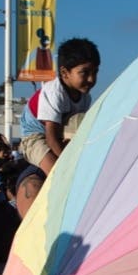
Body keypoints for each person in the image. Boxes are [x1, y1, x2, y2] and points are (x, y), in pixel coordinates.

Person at [19, 37, 99, 174]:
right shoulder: (54, 92)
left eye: (95, 72)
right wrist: (68, 163)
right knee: (56, 173)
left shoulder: (85, 97)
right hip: (36, 137)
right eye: (84, 72)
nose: (91, 79)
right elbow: (51, 137)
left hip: (61, 134)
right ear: (64, 73)